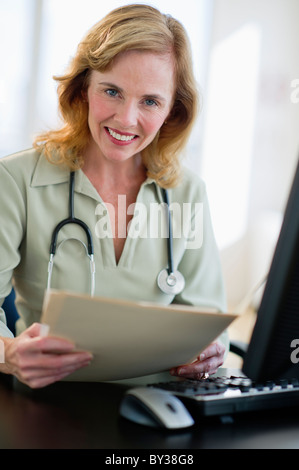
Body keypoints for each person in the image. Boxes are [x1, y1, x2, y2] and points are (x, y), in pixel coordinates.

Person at [0, 4, 228, 389]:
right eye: (112, 91)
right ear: (83, 88)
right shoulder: (18, 180)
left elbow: (209, 322)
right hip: (48, 404)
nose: (126, 119)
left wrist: (210, 352)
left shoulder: (187, 192)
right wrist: (8, 354)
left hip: (158, 408)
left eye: (150, 101)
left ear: (173, 109)